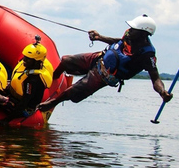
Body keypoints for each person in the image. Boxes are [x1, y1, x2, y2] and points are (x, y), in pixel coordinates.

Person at [37, 14, 173, 111]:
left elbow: (155, 79)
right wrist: (99, 37)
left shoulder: (147, 54)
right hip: (99, 58)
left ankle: (52, 103)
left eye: (134, 29)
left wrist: (162, 92)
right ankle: (52, 80)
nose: (130, 30)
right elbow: (118, 42)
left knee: (74, 91)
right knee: (66, 60)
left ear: (144, 34)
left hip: (105, 75)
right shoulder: (129, 35)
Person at [0, 40, 53, 124]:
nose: (24, 60)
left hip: (26, 109)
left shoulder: (33, 80)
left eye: (28, 59)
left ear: (36, 61)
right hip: (18, 97)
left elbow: (24, 102)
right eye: (25, 57)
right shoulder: (34, 67)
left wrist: (7, 120)